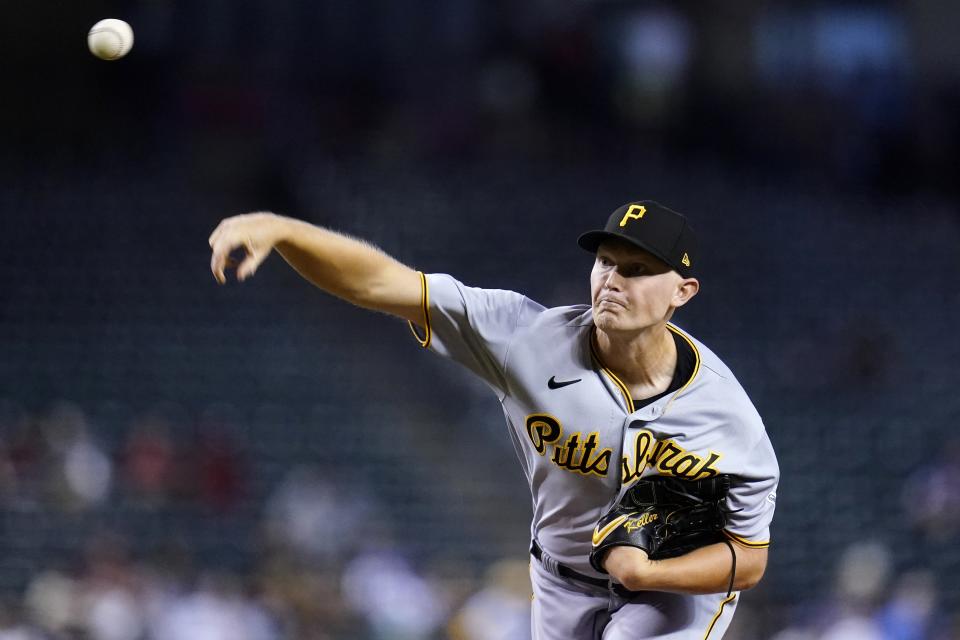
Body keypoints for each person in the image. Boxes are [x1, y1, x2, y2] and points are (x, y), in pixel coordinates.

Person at [208, 201, 779, 639]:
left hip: (670, 593)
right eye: (606, 261)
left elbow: (748, 560)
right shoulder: (527, 339)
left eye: (637, 269)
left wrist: (647, 575)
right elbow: (384, 283)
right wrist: (284, 230)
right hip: (559, 577)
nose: (612, 280)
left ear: (683, 290)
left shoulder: (725, 418)